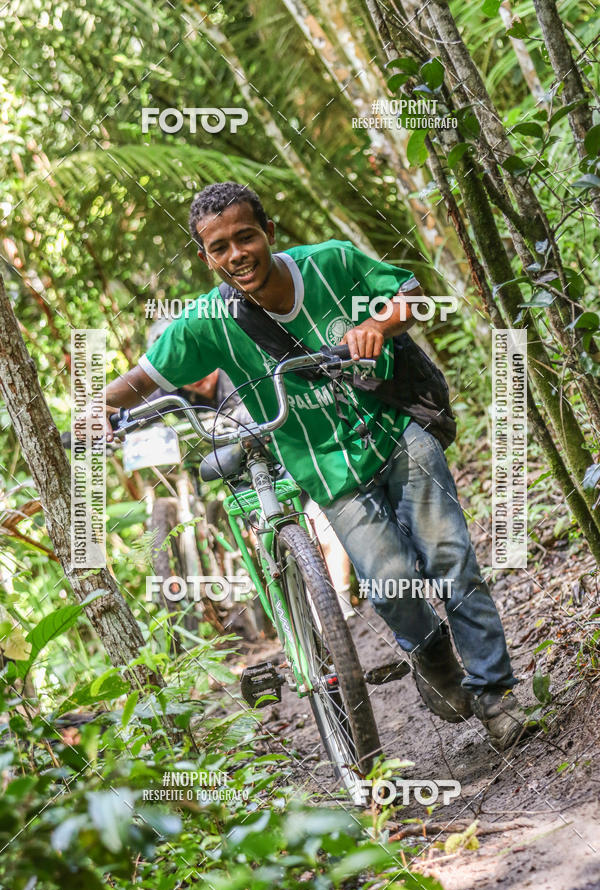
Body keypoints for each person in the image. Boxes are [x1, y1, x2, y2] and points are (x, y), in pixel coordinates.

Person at [85, 181, 534, 751]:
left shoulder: (331, 264)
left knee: (451, 557)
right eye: (219, 248)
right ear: (206, 257)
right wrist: (96, 407)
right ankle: (435, 657)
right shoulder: (207, 322)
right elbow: (143, 379)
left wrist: (380, 325)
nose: (236, 255)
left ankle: (496, 696)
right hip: (327, 472)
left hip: (396, 431)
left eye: (245, 237)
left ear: (269, 233)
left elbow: (413, 294)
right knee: (389, 583)